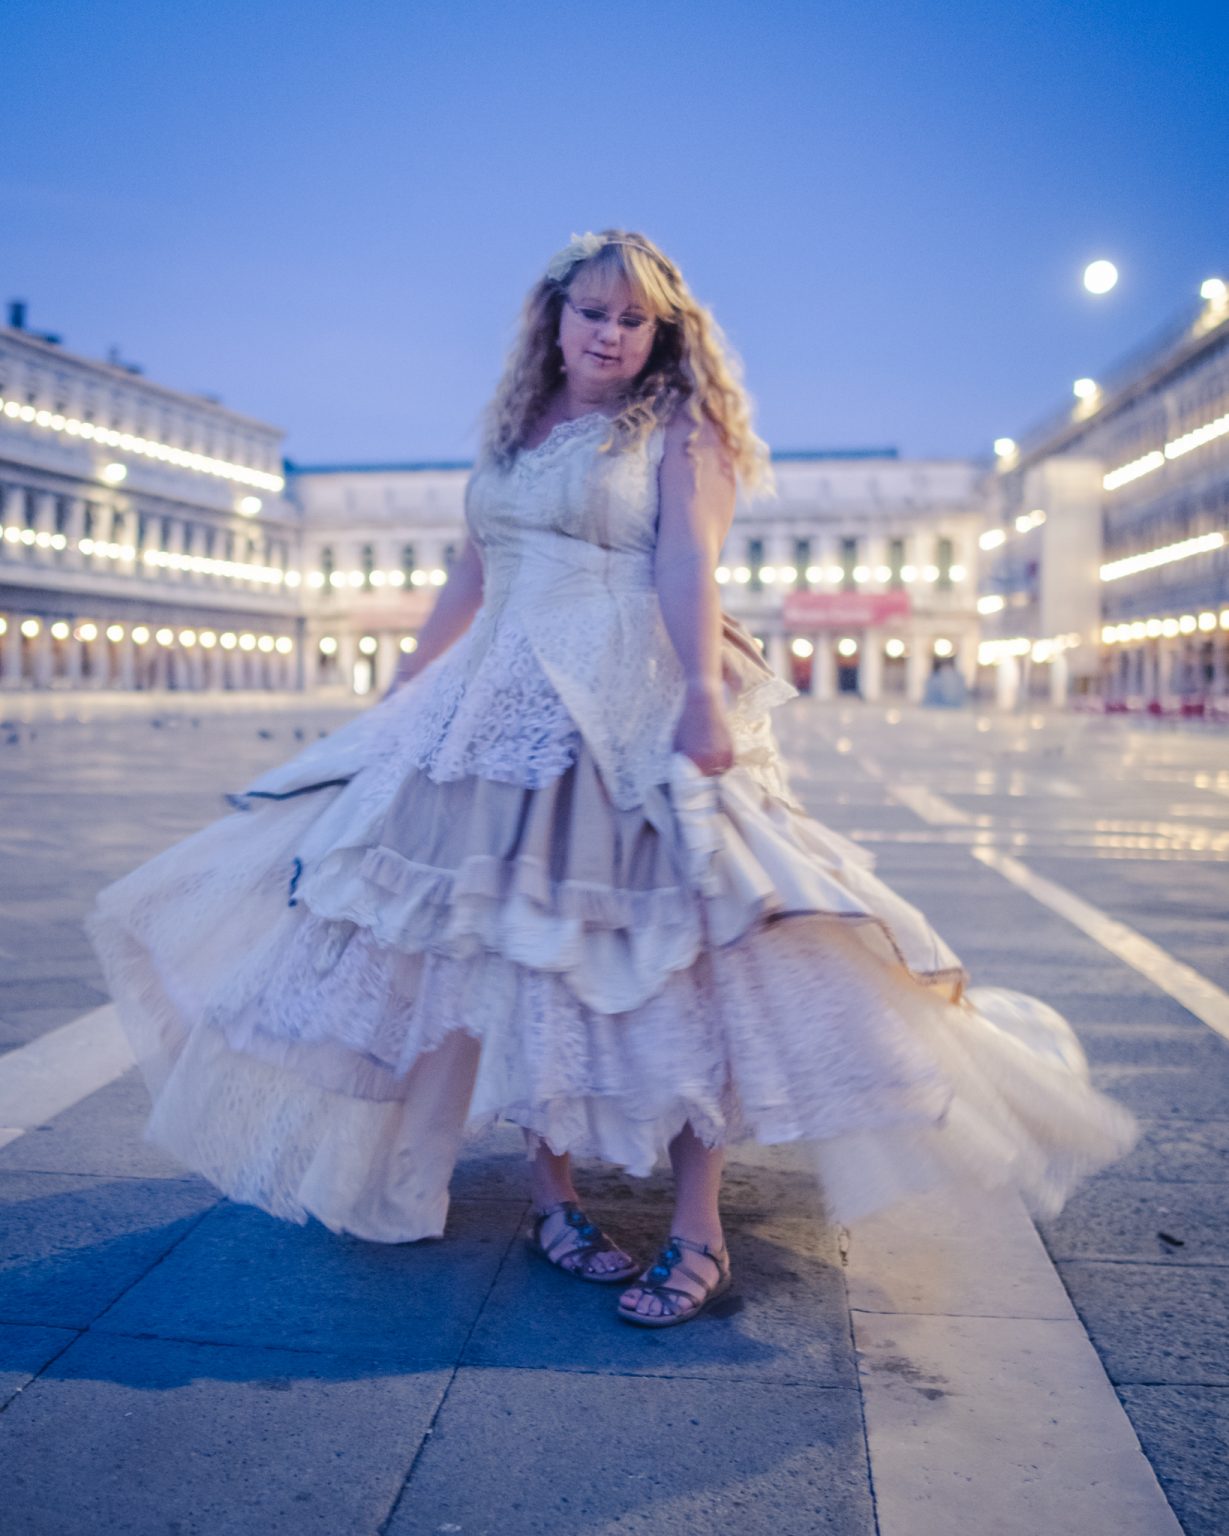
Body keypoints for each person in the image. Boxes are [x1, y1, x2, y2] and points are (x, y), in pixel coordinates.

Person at [86, 227, 1139, 1329]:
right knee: (519, 956)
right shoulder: (511, 428)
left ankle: (697, 1225)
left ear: (661, 333)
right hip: (492, 717)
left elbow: (686, 559)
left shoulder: (682, 429)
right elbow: (473, 572)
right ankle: (554, 1200)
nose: (610, 334)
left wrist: (694, 692)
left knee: (687, 955)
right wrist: (405, 683)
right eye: (591, 311)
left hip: (622, 701)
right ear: (551, 316)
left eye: (633, 319)